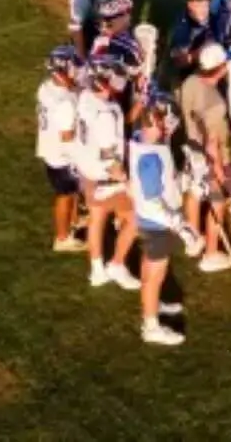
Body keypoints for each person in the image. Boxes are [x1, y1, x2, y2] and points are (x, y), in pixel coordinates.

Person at [130, 92, 204, 345]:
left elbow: (164, 184)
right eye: (164, 121)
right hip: (157, 223)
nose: (169, 126)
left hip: (151, 221)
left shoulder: (143, 142)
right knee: (155, 275)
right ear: (153, 122)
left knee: (150, 271)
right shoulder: (150, 157)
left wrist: (186, 178)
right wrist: (179, 225)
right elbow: (153, 202)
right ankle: (151, 326)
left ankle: (152, 306)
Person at [74, 56, 140, 291]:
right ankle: (117, 264)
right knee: (136, 218)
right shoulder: (105, 114)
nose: (119, 81)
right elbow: (110, 159)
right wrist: (126, 180)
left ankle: (97, 270)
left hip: (87, 168)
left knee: (97, 218)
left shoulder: (85, 97)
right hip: (106, 176)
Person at [178, 41, 231, 273]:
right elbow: (213, 142)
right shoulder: (215, 103)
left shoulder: (190, 82)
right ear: (220, 68)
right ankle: (211, 253)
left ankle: (193, 239)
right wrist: (219, 169)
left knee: (194, 192)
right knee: (217, 202)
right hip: (211, 156)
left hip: (192, 148)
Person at [37, 45, 84, 251]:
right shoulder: (66, 102)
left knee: (71, 192)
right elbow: (67, 136)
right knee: (65, 194)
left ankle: (74, 220)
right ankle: (62, 238)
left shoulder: (46, 87)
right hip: (63, 155)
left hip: (50, 148)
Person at [167, 0, 217, 83]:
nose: (204, 11)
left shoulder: (214, 17)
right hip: (191, 75)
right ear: (189, 5)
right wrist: (199, 53)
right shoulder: (182, 28)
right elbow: (179, 61)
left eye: (205, 6)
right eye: (199, 6)